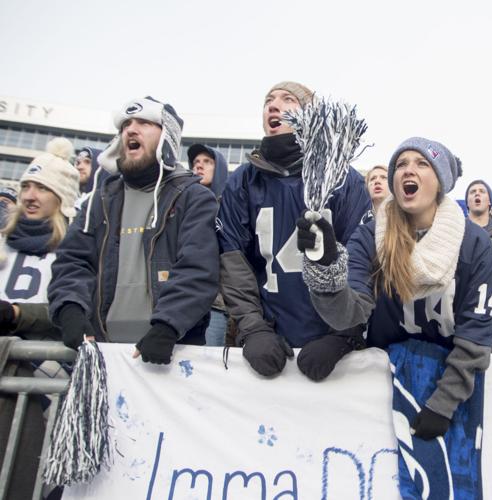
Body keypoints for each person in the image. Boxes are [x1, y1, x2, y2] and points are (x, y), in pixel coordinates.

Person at [297, 137, 492, 498]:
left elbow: (476, 335)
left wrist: (444, 402)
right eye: (401, 164)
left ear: (441, 180)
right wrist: (324, 269)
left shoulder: (475, 243)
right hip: (387, 378)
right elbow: (348, 314)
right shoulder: (370, 236)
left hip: (450, 381)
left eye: (421, 163)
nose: (408, 169)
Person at [48, 96, 219, 364]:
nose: (131, 129)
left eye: (144, 122)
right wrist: (70, 309)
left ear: (167, 139)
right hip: (101, 351)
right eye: (126, 124)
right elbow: (72, 261)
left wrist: (168, 326)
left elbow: (198, 268)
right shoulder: (99, 199)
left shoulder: (193, 197)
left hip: (172, 352)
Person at [217, 81, 370, 377]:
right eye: (268, 100)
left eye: (288, 99)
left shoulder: (344, 180)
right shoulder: (243, 182)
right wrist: (252, 329)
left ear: (311, 115)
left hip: (330, 339)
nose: (273, 106)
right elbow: (234, 263)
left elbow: (361, 264)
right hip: (270, 337)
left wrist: (344, 335)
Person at [0, 138, 79, 500]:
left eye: (43, 188)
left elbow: (75, 309)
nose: (31, 196)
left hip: (46, 376)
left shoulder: (75, 251)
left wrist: (18, 315)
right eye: (27, 186)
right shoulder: (2, 243)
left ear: (61, 197)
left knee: (29, 473)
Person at [187, 144, 230, 346]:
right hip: (183, 304)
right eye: (196, 162)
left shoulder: (229, 207)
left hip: (216, 306)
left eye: (207, 162)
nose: (199, 166)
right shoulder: (181, 205)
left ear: (219, 167)